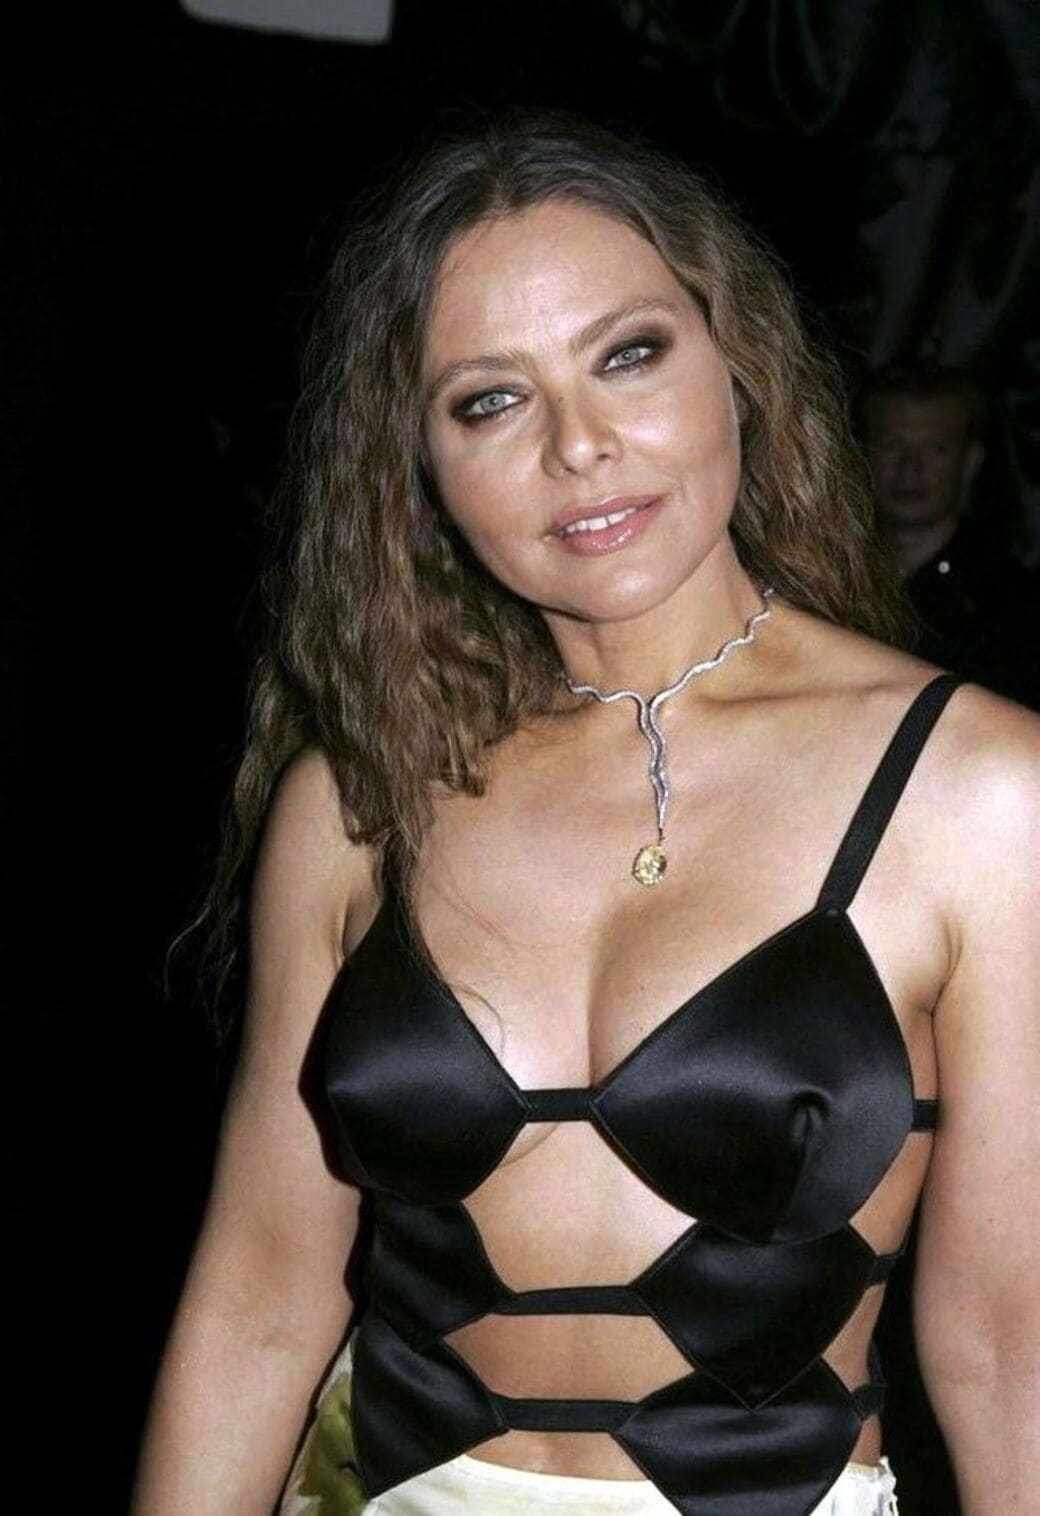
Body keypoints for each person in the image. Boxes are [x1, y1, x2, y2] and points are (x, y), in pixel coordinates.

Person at [131, 113, 1040, 1516]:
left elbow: (1006, 1344)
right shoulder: (365, 794)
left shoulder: (975, 790)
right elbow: (259, 1300)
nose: (579, 447)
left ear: (736, 362)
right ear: (415, 466)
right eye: (489, 400)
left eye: (628, 354)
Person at [863, 364, 1040, 709]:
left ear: (970, 461)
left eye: (935, 449)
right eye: (892, 445)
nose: (911, 469)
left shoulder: (1015, 607)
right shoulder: (824, 584)